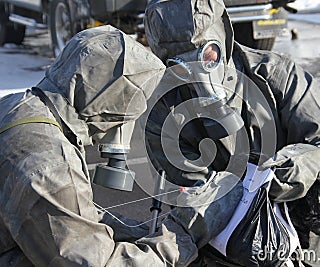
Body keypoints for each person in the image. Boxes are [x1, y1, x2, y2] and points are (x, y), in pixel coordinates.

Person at [0, 25, 243, 266]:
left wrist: (139, 230)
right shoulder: (50, 165)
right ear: (110, 98)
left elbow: (68, 217)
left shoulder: (19, 108)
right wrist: (183, 235)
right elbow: (97, 262)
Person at [143, 0, 320, 266]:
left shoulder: (277, 76)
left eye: (206, 55)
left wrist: (295, 167)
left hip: (304, 236)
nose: (197, 69)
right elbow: (197, 198)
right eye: (179, 64)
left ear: (223, 38)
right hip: (224, 251)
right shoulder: (163, 116)